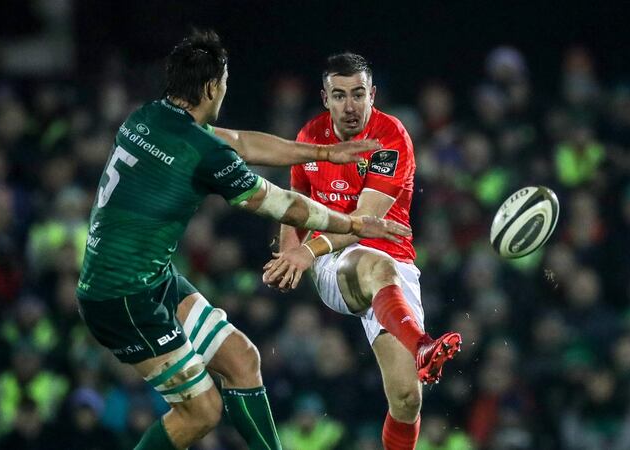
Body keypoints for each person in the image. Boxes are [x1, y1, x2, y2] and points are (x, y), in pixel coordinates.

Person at [75, 30, 411, 450]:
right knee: (201, 412)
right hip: (122, 298)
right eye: (225, 84)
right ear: (214, 86)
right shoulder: (200, 151)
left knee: (241, 359)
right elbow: (281, 204)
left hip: (151, 278)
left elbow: (242, 142)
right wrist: (354, 225)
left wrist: (322, 154)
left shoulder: (149, 117)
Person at [263, 52, 462, 450]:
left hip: (390, 258)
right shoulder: (310, 136)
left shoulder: (391, 138)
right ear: (325, 97)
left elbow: (364, 220)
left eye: (358, 94)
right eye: (339, 96)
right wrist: (291, 253)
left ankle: (415, 350)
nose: (349, 106)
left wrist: (305, 250)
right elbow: (295, 204)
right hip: (334, 263)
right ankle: (421, 344)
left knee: (407, 399)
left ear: (374, 94)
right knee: (373, 264)